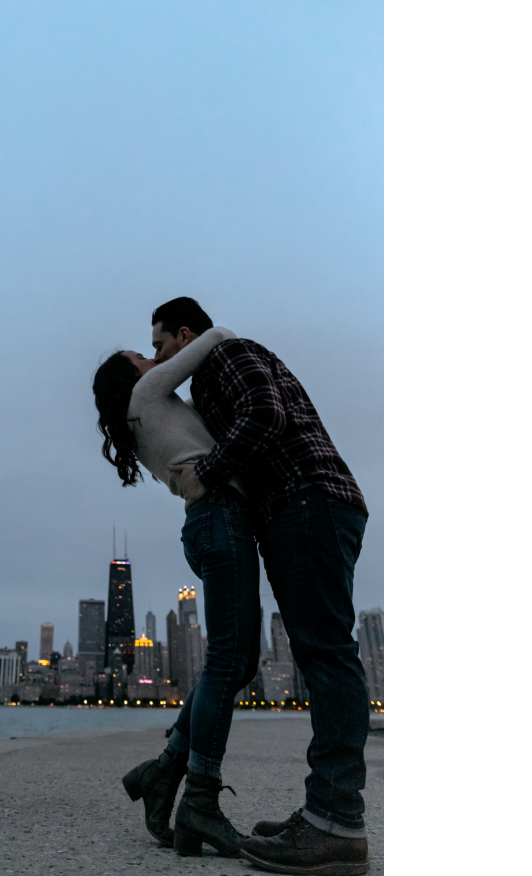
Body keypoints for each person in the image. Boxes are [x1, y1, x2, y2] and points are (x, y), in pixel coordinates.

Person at [150, 297, 371, 876]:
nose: (158, 359)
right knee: (321, 650)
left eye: (160, 345)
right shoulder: (210, 380)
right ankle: (325, 812)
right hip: (305, 505)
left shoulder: (224, 355)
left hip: (307, 499)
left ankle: (335, 824)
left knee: (326, 652)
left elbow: (265, 416)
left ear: (185, 334)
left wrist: (206, 470)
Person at [92, 325, 260, 860]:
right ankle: (199, 800)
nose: (153, 358)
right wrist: (196, 334)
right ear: (130, 376)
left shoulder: (142, 417)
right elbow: (215, 339)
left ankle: (164, 772)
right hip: (218, 519)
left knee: (239, 662)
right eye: (143, 355)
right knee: (228, 660)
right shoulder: (146, 394)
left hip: (214, 521)